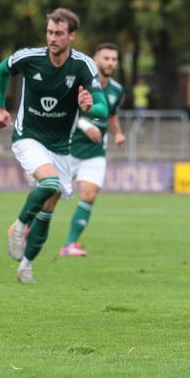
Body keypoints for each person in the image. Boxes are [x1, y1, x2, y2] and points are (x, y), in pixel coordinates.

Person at [0, 8, 108, 284]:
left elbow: (102, 106)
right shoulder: (30, 58)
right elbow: (1, 70)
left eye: (58, 33)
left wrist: (92, 107)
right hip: (28, 136)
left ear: (71, 36)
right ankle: (19, 227)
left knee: (48, 209)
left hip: (61, 147)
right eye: (49, 32)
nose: (52, 38)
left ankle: (26, 266)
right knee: (50, 184)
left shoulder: (83, 65)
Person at [61, 43, 127, 257]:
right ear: (95, 59)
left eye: (114, 59)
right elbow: (65, 111)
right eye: (106, 58)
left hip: (95, 151)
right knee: (50, 194)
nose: (110, 63)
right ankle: (26, 227)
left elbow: (112, 114)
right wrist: (85, 125)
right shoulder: (80, 83)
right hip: (68, 147)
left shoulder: (117, 90)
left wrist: (117, 132)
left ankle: (69, 244)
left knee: (89, 194)